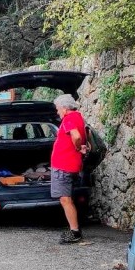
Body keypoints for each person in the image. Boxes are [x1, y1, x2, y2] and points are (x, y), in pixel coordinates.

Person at [51, 94, 88, 244]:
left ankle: (75, 232)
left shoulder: (69, 119)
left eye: (58, 109)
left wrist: (78, 147)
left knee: (65, 199)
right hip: (71, 164)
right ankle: (75, 229)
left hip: (63, 165)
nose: (57, 112)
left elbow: (76, 136)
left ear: (65, 108)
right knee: (68, 199)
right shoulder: (78, 116)